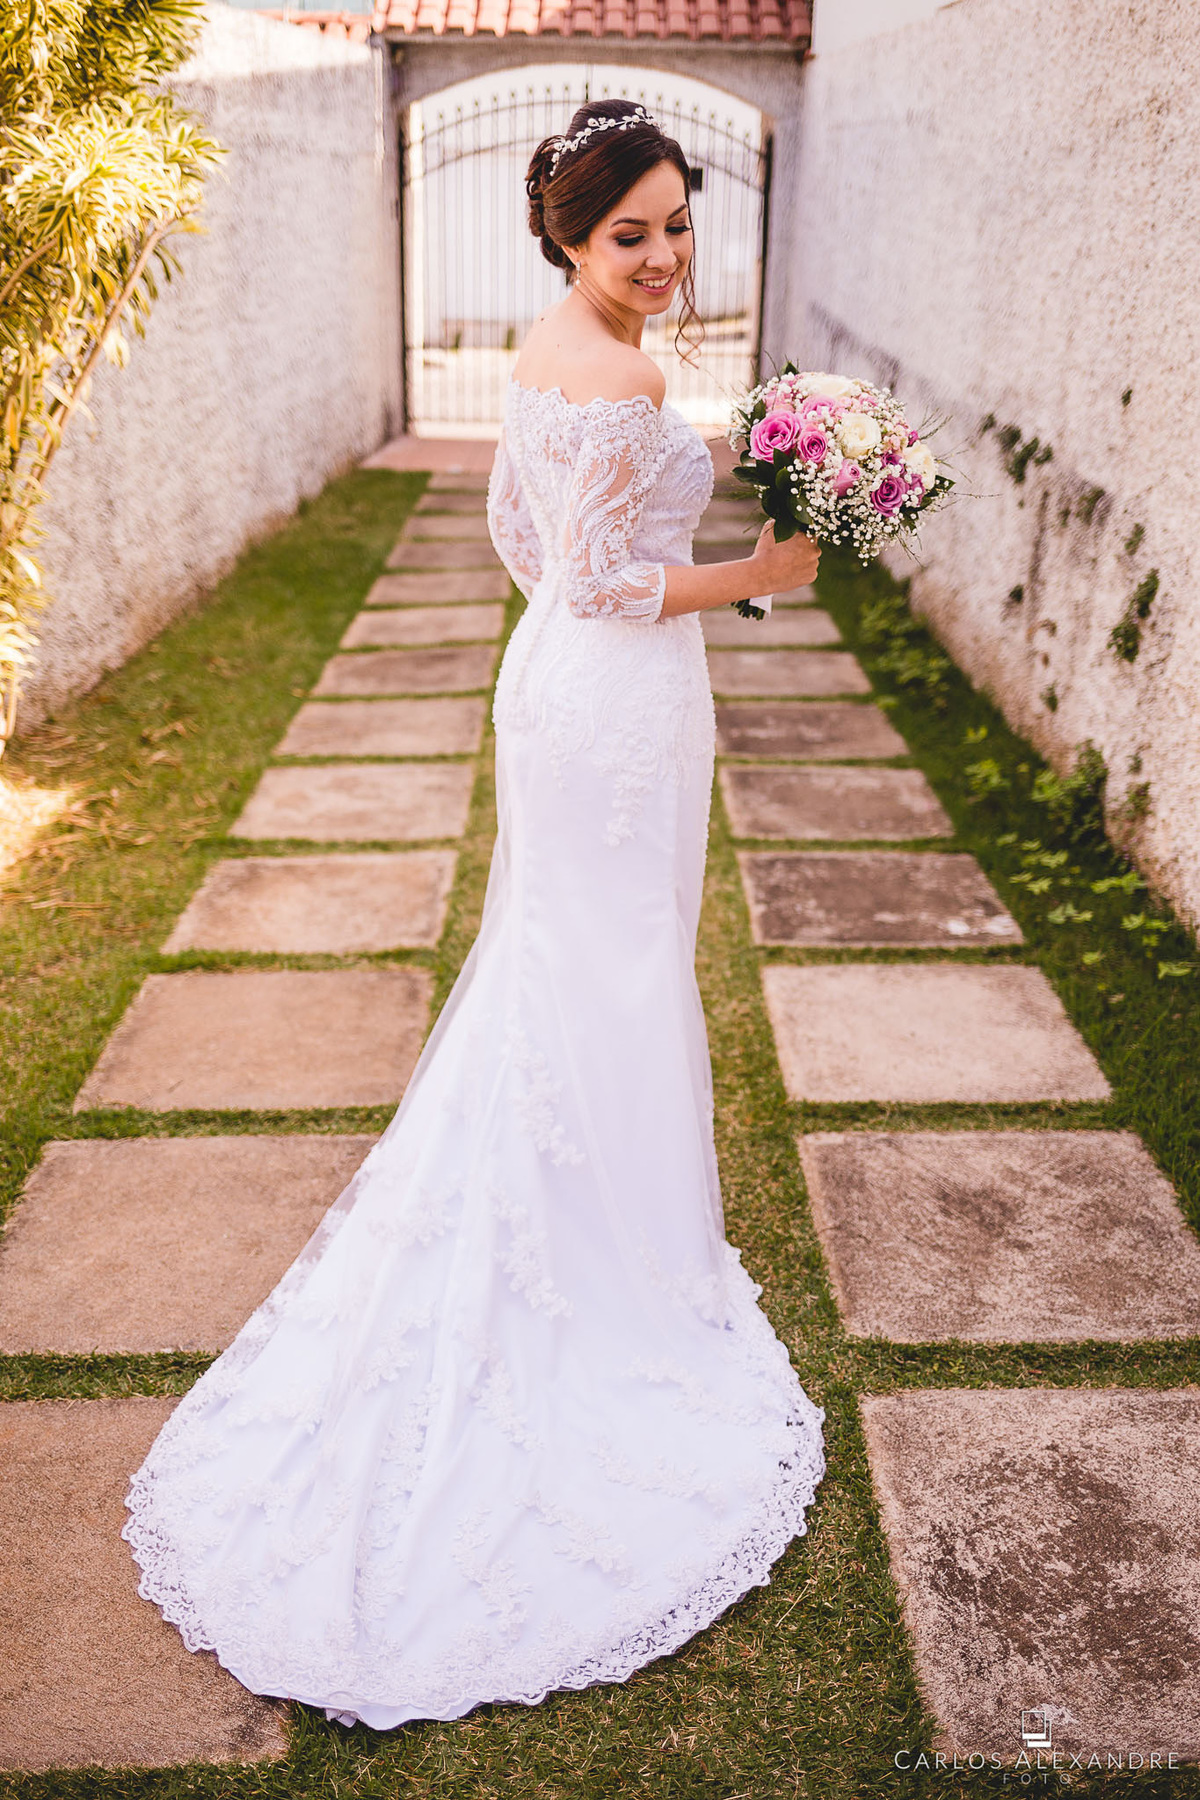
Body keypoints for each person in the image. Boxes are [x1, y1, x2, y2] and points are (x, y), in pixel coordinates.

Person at [123, 97, 826, 1730]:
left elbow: (532, 548)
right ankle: (611, 1271)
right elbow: (595, 577)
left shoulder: (544, 338)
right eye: (627, 234)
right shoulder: (627, 369)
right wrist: (770, 570)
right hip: (613, 689)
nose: (659, 258)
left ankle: (599, 1228)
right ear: (571, 239)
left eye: (674, 225)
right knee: (612, 975)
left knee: (579, 969)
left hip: (572, 694)